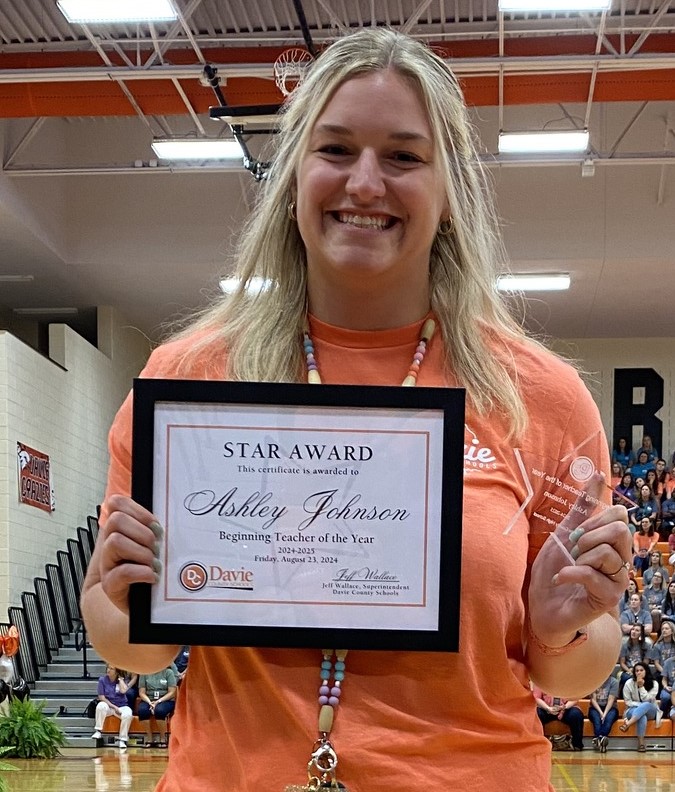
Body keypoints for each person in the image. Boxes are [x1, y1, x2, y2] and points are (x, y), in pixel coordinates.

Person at [79, 28, 632, 792]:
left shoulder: (537, 396)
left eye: (403, 156)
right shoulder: (190, 381)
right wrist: (124, 594)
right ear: (293, 176)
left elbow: (575, 672)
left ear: (447, 195)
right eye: (335, 149)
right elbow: (131, 648)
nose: (365, 183)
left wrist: (558, 627)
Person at [620, 662, 662, 751]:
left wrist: (641, 686)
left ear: (646, 671)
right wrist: (640, 706)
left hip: (651, 710)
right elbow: (628, 702)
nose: (639, 672)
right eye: (636, 671)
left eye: (641, 670)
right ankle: (641, 744)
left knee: (646, 704)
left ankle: (628, 724)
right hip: (632, 709)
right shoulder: (628, 683)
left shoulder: (654, 683)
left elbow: (648, 700)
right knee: (642, 716)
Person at [91, 664, 133, 749]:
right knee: (101, 705)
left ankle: (122, 739)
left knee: (128, 714)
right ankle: (98, 731)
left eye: (111, 669)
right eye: (108, 668)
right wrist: (114, 707)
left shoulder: (122, 680)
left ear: (117, 672)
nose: (108, 670)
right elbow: (101, 697)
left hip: (121, 706)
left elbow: (123, 691)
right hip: (109, 707)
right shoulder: (102, 680)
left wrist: (120, 679)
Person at [137, 666, 177, 748]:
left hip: (165, 699)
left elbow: (172, 692)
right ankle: (149, 738)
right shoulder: (144, 673)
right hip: (149, 699)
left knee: (160, 710)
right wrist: (150, 703)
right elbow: (141, 692)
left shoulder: (168, 672)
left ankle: (162, 738)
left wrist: (158, 702)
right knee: (142, 710)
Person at [588, 674, 619, 752]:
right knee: (597, 720)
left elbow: (611, 700)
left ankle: (599, 738)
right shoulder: (593, 681)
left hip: (611, 708)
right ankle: (602, 740)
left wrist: (604, 714)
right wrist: (601, 713)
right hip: (595, 707)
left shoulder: (614, 682)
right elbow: (593, 700)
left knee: (608, 719)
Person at [618, 624, 652, 690]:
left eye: (637, 630)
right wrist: (630, 671)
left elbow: (645, 663)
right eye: (632, 629)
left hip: (641, 670)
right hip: (628, 670)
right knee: (627, 678)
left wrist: (637, 670)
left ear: (641, 634)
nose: (633, 632)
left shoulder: (647, 646)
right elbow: (622, 663)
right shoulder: (624, 645)